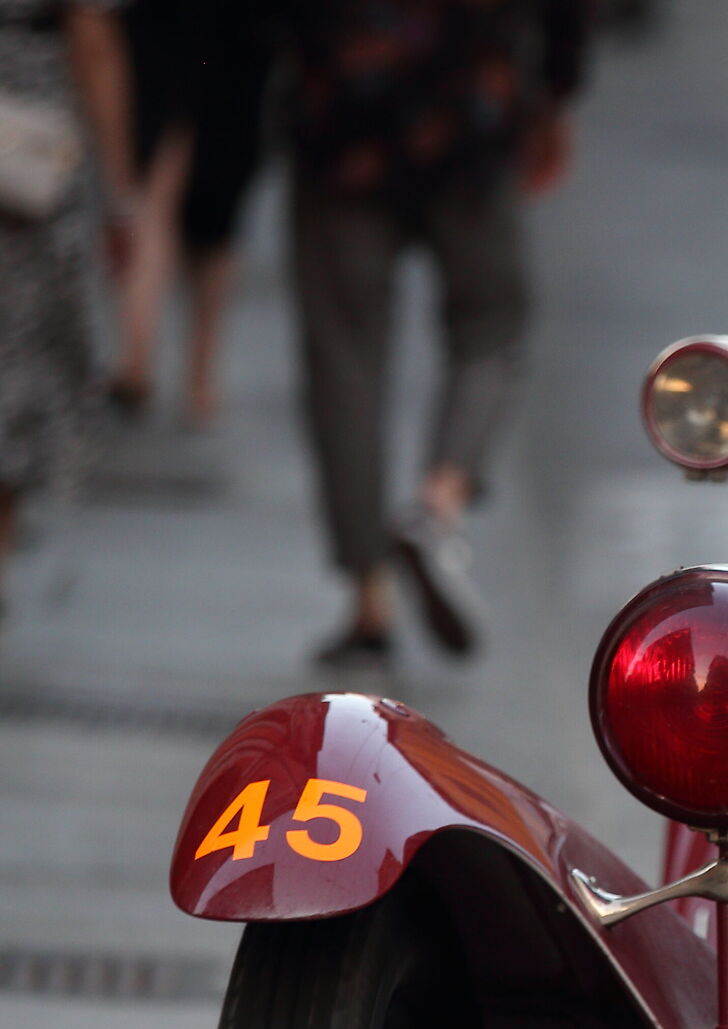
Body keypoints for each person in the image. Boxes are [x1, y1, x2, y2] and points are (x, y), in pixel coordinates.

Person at [286, 0, 589, 670]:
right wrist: (556, 91)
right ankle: (440, 498)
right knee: (490, 326)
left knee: (344, 354)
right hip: (470, 105)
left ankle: (369, 596)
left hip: (344, 111)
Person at [0, 0, 134, 620]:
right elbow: (93, 33)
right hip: (28, 133)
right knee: (21, 354)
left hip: (25, 145)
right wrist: (119, 192)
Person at [106, 0, 270, 426]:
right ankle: (152, 356)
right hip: (185, 34)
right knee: (163, 191)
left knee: (201, 209)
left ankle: (175, 361)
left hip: (227, 40)